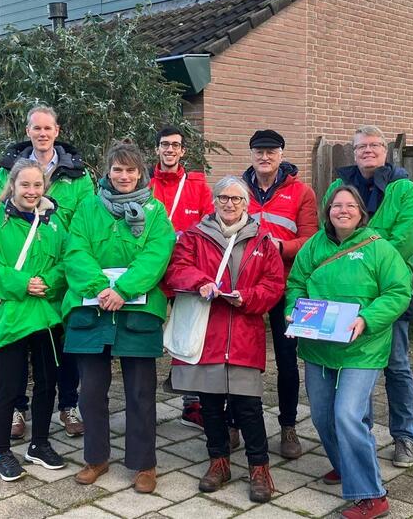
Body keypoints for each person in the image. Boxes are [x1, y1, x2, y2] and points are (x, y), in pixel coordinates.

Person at [285, 186, 412, 519]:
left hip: (362, 349)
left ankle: (373, 494)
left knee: (347, 416)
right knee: (322, 417)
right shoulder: (314, 245)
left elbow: (399, 291)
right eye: (336, 205)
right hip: (318, 346)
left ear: (361, 211)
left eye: (350, 205)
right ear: (328, 211)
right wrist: (293, 309)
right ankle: (346, 466)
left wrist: (366, 319)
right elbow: (296, 282)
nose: (342, 210)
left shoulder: (379, 248)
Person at [162, 176, 285, 502]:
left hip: (244, 334)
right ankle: (219, 462)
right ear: (214, 201)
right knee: (211, 406)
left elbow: (274, 285)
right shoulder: (194, 236)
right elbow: (175, 268)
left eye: (236, 199)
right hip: (207, 334)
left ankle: (259, 468)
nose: (229, 204)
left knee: (249, 406)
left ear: (246, 204)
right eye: (223, 198)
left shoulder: (262, 241)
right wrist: (200, 281)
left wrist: (246, 297)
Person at [62, 142, 176, 494]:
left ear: (140, 172)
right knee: (91, 391)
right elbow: (75, 250)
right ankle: (95, 457)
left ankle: (144, 464)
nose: (123, 176)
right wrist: (99, 287)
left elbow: (157, 254)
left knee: (141, 393)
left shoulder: (156, 212)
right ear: (107, 172)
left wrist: (123, 289)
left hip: (138, 312)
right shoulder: (87, 207)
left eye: (130, 170)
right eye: (117, 170)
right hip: (92, 308)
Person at [321, 125, 413, 467]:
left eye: (375, 145)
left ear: (386, 151)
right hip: (344, 297)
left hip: (385, 296)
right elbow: (329, 231)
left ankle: (404, 436)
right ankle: (360, 434)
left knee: (396, 366)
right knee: (353, 365)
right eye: (361, 146)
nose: (368, 150)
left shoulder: (404, 189)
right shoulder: (338, 187)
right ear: (353, 152)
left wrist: (364, 263)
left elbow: (405, 240)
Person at [0, 106, 91, 439]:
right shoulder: (9, 168)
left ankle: (69, 404)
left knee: (63, 351)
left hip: (59, 272)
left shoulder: (78, 174)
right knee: (18, 348)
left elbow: (85, 220)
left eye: (48, 128)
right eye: (37, 128)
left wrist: (60, 265)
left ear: (57, 131)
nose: (43, 133)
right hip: (22, 278)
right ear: (28, 130)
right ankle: (18, 409)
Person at [0, 159, 69, 481]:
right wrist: (22, 283)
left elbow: (68, 261)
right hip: (11, 317)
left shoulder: (55, 224)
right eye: (25, 185)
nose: (31, 191)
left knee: (47, 384)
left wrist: (49, 282)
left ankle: (39, 443)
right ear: (12, 185)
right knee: (9, 388)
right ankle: (0, 452)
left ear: (45, 187)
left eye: (37, 185)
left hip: (46, 316)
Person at [241, 129, 318, 459]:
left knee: (287, 363)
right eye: (259, 151)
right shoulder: (239, 189)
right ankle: (235, 422)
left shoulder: (301, 192)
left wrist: (279, 247)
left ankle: (288, 426)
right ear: (252, 155)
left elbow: (311, 241)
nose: (265, 156)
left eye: (271, 151)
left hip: (288, 287)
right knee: (241, 358)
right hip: (244, 286)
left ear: (282, 155)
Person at [149, 126, 214, 430]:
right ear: (157, 149)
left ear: (183, 151)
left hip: (186, 270)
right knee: (148, 337)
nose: (170, 150)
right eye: (165, 145)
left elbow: (209, 223)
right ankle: (144, 401)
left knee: (189, 334)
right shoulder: (145, 183)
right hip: (151, 273)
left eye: (176, 145)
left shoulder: (198, 185)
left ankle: (191, 404)